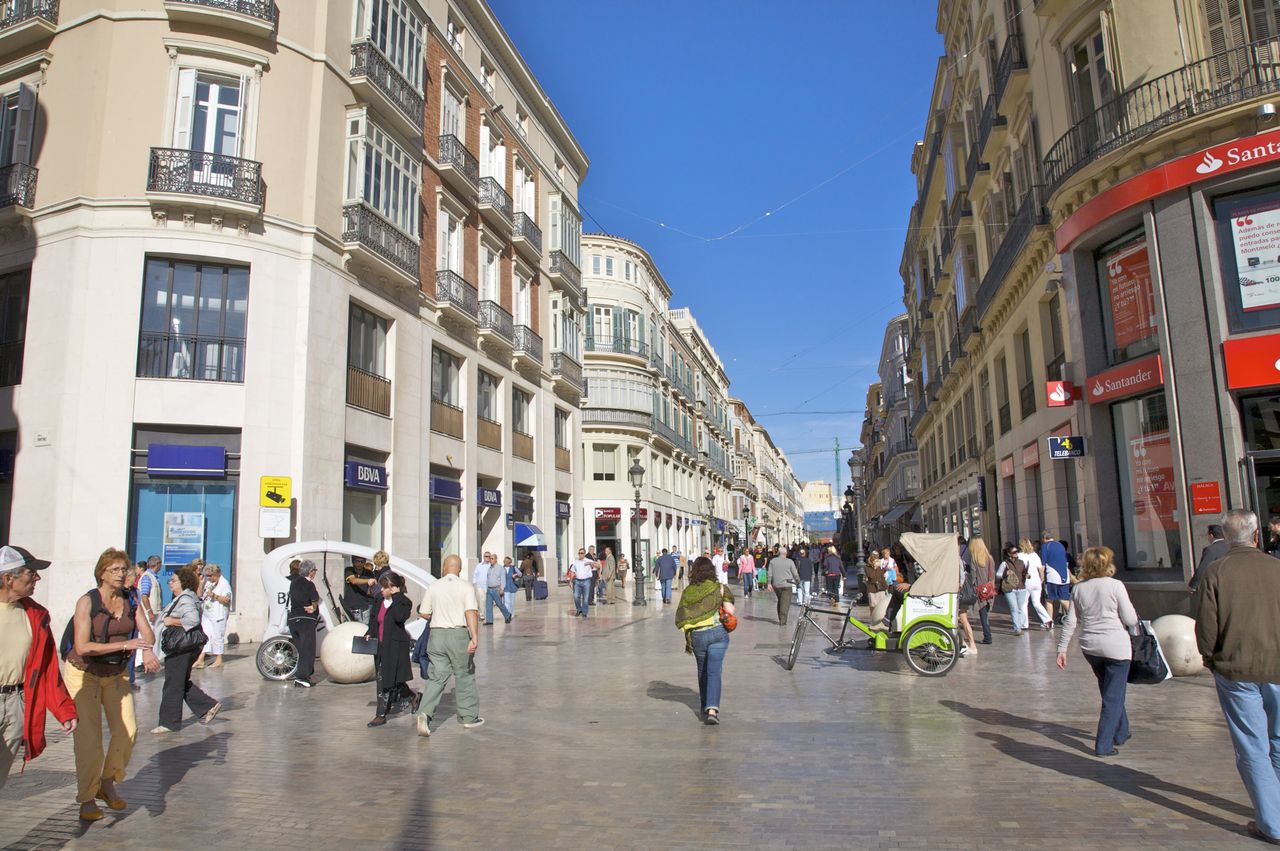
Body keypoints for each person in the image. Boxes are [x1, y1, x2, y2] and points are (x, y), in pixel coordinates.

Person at [1193, 510, 1280, 843]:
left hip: (1236, 668)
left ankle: (1272, 822)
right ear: (1256, 535)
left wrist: (1210, 657)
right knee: (1277, 741)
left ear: (1227, 539)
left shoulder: (1218, 571)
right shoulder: (1277, 567)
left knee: (1252, 746)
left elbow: (1206, 625)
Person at [64, 548, 159, 820]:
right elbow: (82, 647)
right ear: (101, 573)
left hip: (116, 674)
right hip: (84, 673)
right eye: (115, 570)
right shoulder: (87, 602)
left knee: (128, 730)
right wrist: (126, 644)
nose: (121, 574)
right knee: (89, 740)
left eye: (123, 569)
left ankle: (107, 782)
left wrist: (148, 649)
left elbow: (147, 631)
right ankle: (87, 799)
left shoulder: (129, 599)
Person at [0, 546, 76, 792]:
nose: (37, 578)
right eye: (31, 573)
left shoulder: (35, 615)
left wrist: (64, 709)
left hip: (16, 704)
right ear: (8, 578)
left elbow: (46, 669)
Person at [1055, 546, 1139, 757]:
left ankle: (1121, 731)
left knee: (1110, 689)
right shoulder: (1116, 586)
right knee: (1113, 695)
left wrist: (1062, 649)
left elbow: (1070, 621)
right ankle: (1103, 744)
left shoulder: (1079, 589)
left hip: (1091, 646)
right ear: (1106, 563)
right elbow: (1130, 619)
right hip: (1116, 645)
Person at [415, 554, 482, 737]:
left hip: (437, 635)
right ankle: (468, 717)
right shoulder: (465, 586)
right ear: (459, 569)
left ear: (444, 567)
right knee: (464, 674)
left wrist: (439, 614)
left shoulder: (434, 586)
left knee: (437, 677)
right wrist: (474, 635)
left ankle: (424, 713)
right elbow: (471, 612)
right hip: (458, 634)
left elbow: (424, 613)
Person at [154, 565, 220, 735]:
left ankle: (169, 722)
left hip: (181, 647)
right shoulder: (185, 597)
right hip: (183, 647)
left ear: (183, 582)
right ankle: (207, 706)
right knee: (179, 681)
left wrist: (171, 621)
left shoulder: (186, 599)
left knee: (173, 683)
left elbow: (192, 620)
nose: (170, 583)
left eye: (173, 580)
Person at [674, 556, 734, 725]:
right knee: (714, 671)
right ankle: (712, 710)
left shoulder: (688, 591)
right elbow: (730, 610)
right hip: (718, 634)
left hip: (698, 636)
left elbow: (682, 613)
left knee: (702, 670)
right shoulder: (720, 588)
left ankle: (703, 706)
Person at [368, 571, 419, 727]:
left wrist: (396, 596)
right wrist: (369, 633)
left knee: (388, 678)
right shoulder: (378, 600)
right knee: (387, 678)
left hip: (395, 646)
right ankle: (412, 697)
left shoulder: (403, 602)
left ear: (392, 587)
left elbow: (399, 617)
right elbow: (373, 619)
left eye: (384, 587)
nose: (381, 591)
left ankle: (381, 714)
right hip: (381, 645)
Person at [288, 559, 321, 688]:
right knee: (308, 648)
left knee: (301, 649)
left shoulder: (293, 583)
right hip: (306, 620)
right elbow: (315, 599)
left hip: (293, 620)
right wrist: (313, 608)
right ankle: (302, 677)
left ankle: (302, 675)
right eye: (314, 571)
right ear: (311, 572)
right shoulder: (309, 584)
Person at [193, 563, 231, 670]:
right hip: (207, 614)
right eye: (208, 576)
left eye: (211, 575)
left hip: (218, 614)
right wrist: (200, 584)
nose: (209, 578)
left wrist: (215, 596)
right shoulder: (208, 583)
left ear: (217, 574)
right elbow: (200, 595)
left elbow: (227, 600)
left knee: (217, 636)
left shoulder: (224, 584)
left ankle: (219, 659)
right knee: (206, 635)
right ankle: (201, 658)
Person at [1019, 538, 1053, 630]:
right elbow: (1041, 569)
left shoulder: (1020, 556)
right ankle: (1048, 620)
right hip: (1036, 581)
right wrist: (1041, 579)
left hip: (1026, 581)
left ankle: (1024, 624)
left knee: (1023, 603)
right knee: (1037, 602)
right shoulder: (1035, 555)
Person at [968, 537, 997, 645]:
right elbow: (992, 574)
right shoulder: (989, 558)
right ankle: (987, 635)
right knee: (986, 613)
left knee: (983, 614)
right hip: (989, 589)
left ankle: (988, 636)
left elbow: (973, 576)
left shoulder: (974, 559)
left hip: (980, 590)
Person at [1039, 531, 1072, 624]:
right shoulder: (1060, 545)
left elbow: (1043, 565)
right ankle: (1074, 617)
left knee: (1049, 599)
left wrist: (1041, 578)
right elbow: (1066, 562)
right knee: (1063, 599)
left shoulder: (1045, 546)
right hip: (1064, 576)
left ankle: (1049, 622)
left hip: (1052, 576)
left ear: (1044, 538)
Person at [996, 543, 1029, 635]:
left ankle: (1020, 625)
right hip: (1010, 589)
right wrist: (1006, 574)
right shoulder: (1005, 564)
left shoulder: (1021, 562)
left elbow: (1024, 573)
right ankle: (1017, 628)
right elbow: (998, 575)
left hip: (1021, 588)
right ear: (1009, 554)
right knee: (1014, 608)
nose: (1016, 553)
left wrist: (1026, 575)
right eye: (1014, 552)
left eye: (1017, 552)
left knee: (1020, 608)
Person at [1188, 523, 1228, 593]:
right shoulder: (1231, 547)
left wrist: (1193, 585)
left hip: (1218, 587)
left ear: (1211, 536)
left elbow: (1203, 569)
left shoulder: (1211, 549)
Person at [766, 548, 800, 626]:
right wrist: (798, 581)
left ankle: (780, 617)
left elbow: (769, 573)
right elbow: (795, 573)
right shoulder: (790, 561)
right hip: (787, 585)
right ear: (786, 554)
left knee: (781, 600)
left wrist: (769, 583)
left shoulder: (772, 561)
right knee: (785, 603)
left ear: (778, 553)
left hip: (776, 585)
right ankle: (783, 621)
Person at [343, 556, 378, 623]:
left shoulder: (369, 573)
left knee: (363, 629)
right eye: (357, 561)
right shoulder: (349, 570)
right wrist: (369, 580)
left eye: (362, 561)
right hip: (350, 607)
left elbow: (370, 590)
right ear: (353, 562)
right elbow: (353, 581)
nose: (359, 563)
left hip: (364, 607)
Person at [484, 553, 512, 625]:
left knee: (499, 604)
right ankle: (489, 620)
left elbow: (503, 579)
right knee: (488, 605)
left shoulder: (500, 568)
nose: (490, 560)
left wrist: (502, 588)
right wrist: (486, 588)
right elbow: (488, 579)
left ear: (496, 559)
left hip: (496, 589)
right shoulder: (489, 568)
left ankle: (507, 615)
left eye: (492, 558)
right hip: (489, 589)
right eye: (490, 558)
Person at [136, 555, 163, 626]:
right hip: (150, 615)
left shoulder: (153, 576)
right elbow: (144, 596)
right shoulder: (147, 577)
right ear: (157, 564)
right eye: (160, 564)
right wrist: (149, 612)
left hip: (155, 614)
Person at [567, 549, 594, 617]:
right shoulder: (576, 562)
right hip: (577, 581)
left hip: (586, 581)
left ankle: (584, 612)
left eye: (581, 553)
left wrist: (593, 564)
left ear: (584, 554)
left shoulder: (589, 561)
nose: (580, 554)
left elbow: (597, 566)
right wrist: (570, 581)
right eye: (579, 553)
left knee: (585, 598)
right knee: (576, 596)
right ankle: (579, 609)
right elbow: (573, 572)